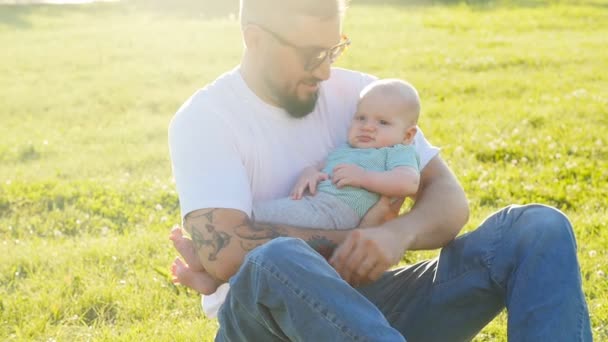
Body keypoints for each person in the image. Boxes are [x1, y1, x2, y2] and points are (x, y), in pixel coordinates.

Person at [168, 0, 592, 340]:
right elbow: (227, 252)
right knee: (276, 258)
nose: (325, 70)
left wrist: (395, 234)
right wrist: (359, 240)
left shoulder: (361, 95)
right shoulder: (206, 119)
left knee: (537, 227)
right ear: (255, 39)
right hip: (270, 327)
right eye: (311, 54)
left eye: (333, 50)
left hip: (373, 311)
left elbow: (447, 198)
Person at [170, 78, 423, 295]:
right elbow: (318, 166)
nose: (368, 126)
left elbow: (409, 182)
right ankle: (207, 275)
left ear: (408, 134)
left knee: (249, 218)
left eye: (382, 123)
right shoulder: (348, 149)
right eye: (361, 118)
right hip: (316, 206)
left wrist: (365, 177)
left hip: (338, 214)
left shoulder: (397, 152)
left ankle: (207, 255)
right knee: (259, 238)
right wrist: (308, 175)